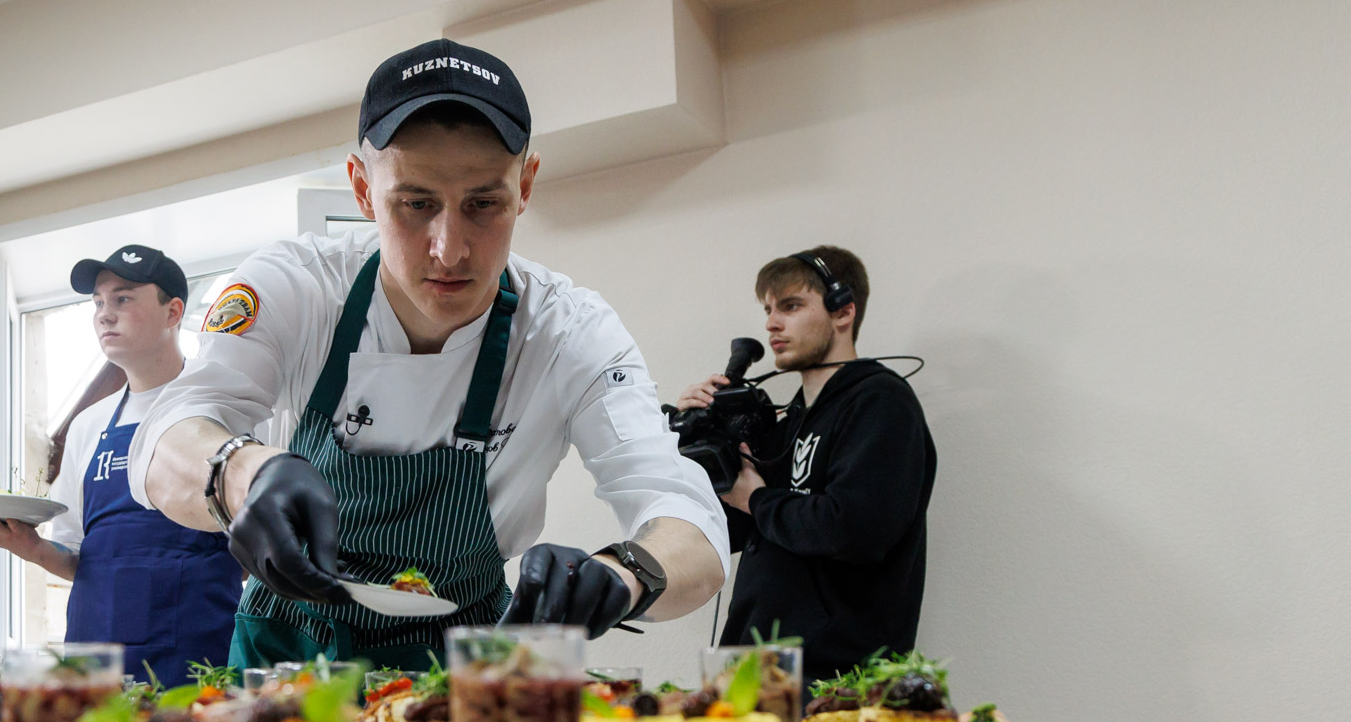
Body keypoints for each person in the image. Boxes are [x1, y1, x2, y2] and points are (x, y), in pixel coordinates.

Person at [128, 39, 728, 671]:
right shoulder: (296, 286)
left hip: (470, 665)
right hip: (286, 654)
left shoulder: (567, 330)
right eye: (415, 204)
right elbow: (169, 434)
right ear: (362, 190)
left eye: (483, 204)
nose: (449, 250)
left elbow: (686, 515)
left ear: (525, 186)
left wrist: (623, 574)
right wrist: (239, 473)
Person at [0, 245, 243, 685]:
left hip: (196, 658)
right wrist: (27, 547)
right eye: (98, 304)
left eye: (123, 299)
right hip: (94, 661)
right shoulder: (89, 425)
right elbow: (77, 556)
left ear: (173, 311)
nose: (105, 315)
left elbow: (261, 548)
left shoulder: (225, 407)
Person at [677, 247, 936, 687]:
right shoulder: (789, 420)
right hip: (751, 666)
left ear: (843, 311)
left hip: (834, 681)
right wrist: (696, 436)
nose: (771, 324)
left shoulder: (880, 403)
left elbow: (851, 529)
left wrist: (756, 497)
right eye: (768, 310)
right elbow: (736, 531)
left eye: (791, 306)